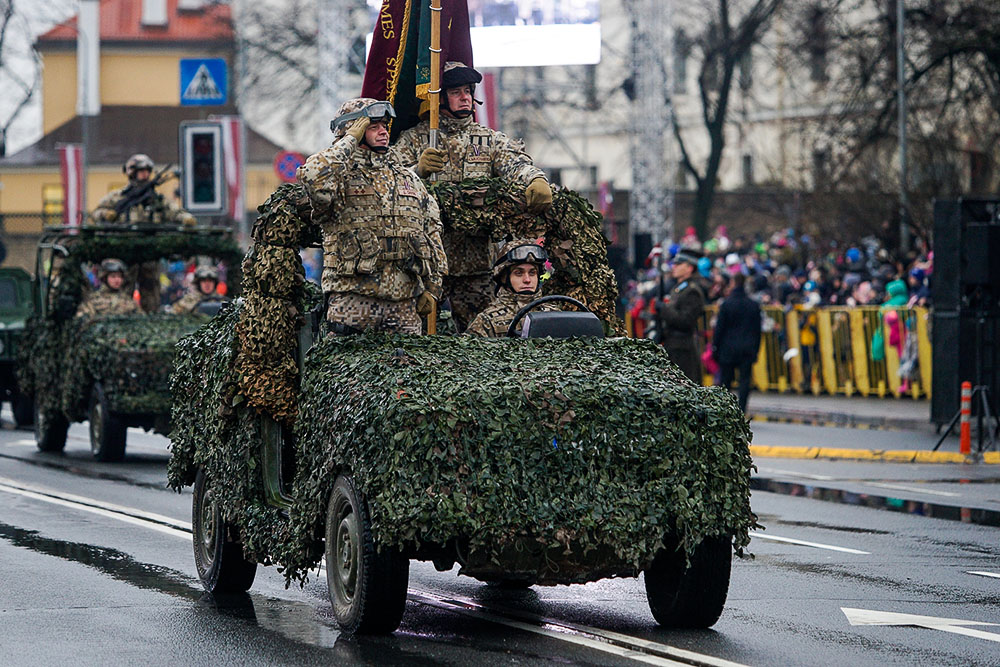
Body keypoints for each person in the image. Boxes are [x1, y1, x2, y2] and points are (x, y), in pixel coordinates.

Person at [392, 61, 552, 332]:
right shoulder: (416, 139)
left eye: (468, 90)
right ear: (440, 98)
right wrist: (416, 170)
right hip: (428, 265)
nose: (465, 97)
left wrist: (535, 178)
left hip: (477, 266)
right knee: (414, 337)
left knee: (481, 341)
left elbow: (515, 163)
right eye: (456, 92)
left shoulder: (487, 140)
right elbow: (388, 181)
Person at [297, 98, 447, 334]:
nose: (383, 132)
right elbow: (313, 176)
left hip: (404, 304)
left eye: (384, 126)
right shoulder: (339, 177)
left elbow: (432, 232)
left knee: (406, 368)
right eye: (372, 126)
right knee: (346, 370)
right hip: (352, 301)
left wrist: (432, 288)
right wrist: (349, 141)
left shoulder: (407, 178)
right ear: (353, 129)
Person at [466, 239, 557, 337]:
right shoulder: (486, 321)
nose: (527, 280)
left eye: (532, 273)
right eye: (519, 273)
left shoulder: (555, 315)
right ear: (504, 278)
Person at [88, 154, 196, 227]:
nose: (145, 174)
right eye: (141, 171)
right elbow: (94, 214)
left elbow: (174, 212)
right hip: (122, 244)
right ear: (132, 172)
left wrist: (186, 218)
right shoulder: (117, 196)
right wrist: (106, 214)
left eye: (147, 171)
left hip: (151, 244)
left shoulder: (157, 198)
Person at [712, 273, 762, 413]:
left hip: (727, 347)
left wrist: (715, 347)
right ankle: (742, 409)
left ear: (733, 283)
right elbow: (757, 330)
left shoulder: (727, 304)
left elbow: (720, 329)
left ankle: (725, 409)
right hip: (747, 348)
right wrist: (756, 349)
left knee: (726, 380)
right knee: (744, 381)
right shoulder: (753, 305)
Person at [655, 248, 706, 383]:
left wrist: (663, 309)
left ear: (689, 268)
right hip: (673, 345)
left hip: (683, 349)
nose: (674, 267)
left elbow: (685, 320)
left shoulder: (692, 291)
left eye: (679, 264)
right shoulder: (678, 288)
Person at [76, 258, 141, 318]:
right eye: (113, 276)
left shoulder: (128, 301)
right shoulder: (93, 300)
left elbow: (141, 319)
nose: (117, 280)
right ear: (104, 278)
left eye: (120, 277)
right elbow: (83, 321)